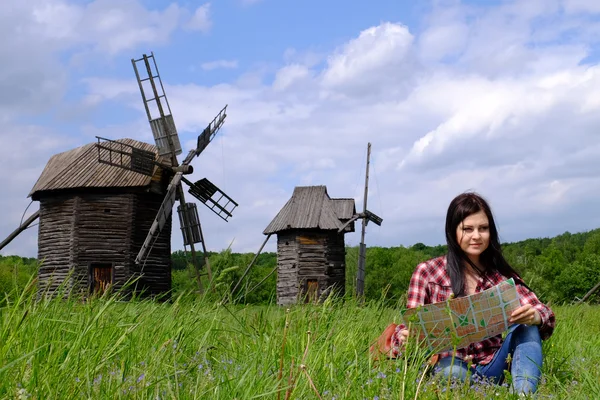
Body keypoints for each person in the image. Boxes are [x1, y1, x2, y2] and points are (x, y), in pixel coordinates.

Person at [390, 192, 555, 395]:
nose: (476, 236)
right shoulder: (428, 272)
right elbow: (410, 326)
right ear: (453, 231)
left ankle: (523, 395)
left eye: (483, 228)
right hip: (451, 364)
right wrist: (405, 337)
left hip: (494, 364)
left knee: (528, 327)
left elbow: (544, 311)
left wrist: (535, 316)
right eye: (467, 229)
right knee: (450, 371)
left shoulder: (500, 276)